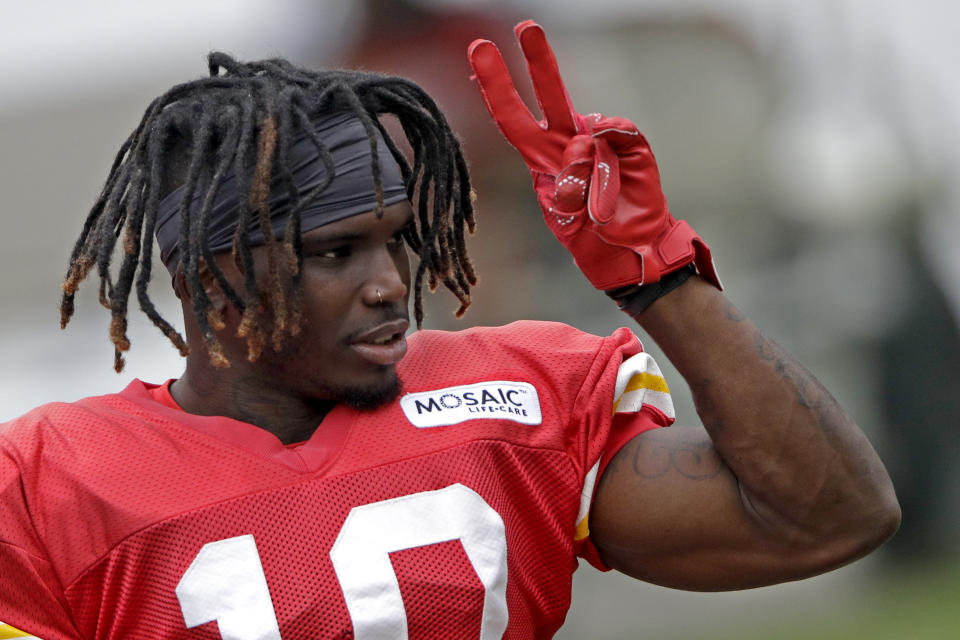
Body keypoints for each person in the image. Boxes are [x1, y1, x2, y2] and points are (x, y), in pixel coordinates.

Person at [0, 20, 899, 640]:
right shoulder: (46, 486)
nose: (392, 284)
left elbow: (823, 519)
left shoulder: (516, 397)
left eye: (397, 242)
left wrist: (662, 276)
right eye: (338, 253)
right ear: (216, 271)